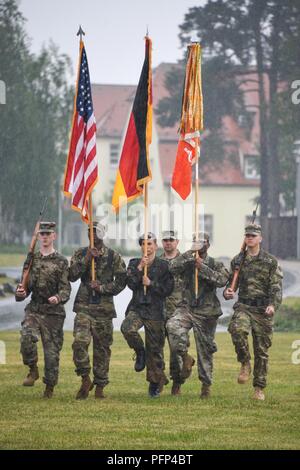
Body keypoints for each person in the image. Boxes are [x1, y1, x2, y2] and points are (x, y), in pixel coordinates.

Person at [223, 223, 283, 401]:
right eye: (247, 235)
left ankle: (259, 388)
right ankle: (244, 363)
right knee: (237, 329)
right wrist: (228, 292)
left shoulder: (270, 261)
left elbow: (276, 287)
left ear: (260, 239)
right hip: (244, 306)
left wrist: (273, 305)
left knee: (262, 350)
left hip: (263, 310)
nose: (250, 238)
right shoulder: (238, 260)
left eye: (253, 236)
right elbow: (231, 284)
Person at [167, 232, 229, 398]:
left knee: (205, 350)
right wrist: (189, 254)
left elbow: (222, 280)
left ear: (208, 244)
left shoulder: (215, 263)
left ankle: (206, 385)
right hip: (186, 308)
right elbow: (171, 267)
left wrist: (202, 267)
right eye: (194, 241)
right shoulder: (187, 260)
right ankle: (185, 358)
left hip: (206, 312)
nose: (198, 244)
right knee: (172, 328)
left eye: (201, 242)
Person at [69, 222, 127, 400]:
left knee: (102, 350)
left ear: (103, 234)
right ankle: (85, 378)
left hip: (104, 309)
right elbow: (71, 276)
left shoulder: (113, 256)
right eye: (90, 232)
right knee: (79, 342)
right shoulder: (80, 253)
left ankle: (100, 386)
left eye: (96, 232)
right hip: (84, 307)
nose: (93, 235)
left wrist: (102, 287)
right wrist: (87, 258)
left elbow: (122, 282)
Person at [15, 221, 71, 399]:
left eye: (48, 234)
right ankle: (32, 369)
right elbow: (24, 289)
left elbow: (65, 289)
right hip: (35, 308)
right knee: (26, 337)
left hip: (53, 313)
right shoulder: (32, 259)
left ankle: (49, 388)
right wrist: (20, 292)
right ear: (38, 237)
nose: (45, 237)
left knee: (51, 354)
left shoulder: (61, 261)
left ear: (54, 236)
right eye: (42, 234)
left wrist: (58, 298)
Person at [121, 232, 174, 398]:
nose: (147, 247)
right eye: (143, 244)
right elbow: (129, 284)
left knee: (155, 349)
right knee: (127, 328)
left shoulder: (164, 266)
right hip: (137, 308)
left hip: (155, 310)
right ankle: (139, 351)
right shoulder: (134, 263)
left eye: (150, 244)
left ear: (156, 246)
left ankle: (154, 382)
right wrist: (138, 269)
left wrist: (151, 283)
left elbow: (167, 290)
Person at [159, 230, 193, 391]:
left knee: (176, 348)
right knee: (156, 348)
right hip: (159, 310)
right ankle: (157, 379)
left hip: (179, 310)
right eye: (165, 240)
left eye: (171, 240)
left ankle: (177, 383)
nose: (168, 243)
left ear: (177, 242)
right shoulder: (157, 261)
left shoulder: (186, 262)